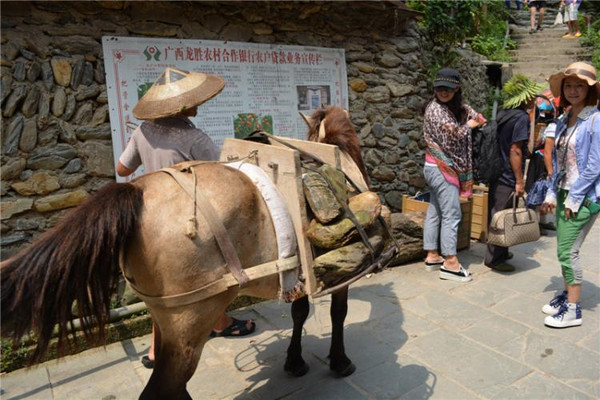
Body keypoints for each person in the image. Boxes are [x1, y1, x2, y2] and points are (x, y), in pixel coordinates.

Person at [117, 67, 256, 368]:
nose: (198, 103)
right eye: (193, 100)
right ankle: (160, 350)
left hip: (148, 211)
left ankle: (218, 323)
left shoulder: (141, 132)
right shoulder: (195, 138)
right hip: (185, 217)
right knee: (213, 272)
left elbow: (122, 170)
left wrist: (149, 154)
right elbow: (221, 180)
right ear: (181, 107)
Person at [540, 62, 600, 328]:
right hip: (565, 192)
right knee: (564, 250)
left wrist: (575, 198)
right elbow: (560, 161)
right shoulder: (565, 120)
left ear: (590, 90)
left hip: (584, 197)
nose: (573, 90)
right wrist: (553, 193)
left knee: (568, 252)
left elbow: (594, 166)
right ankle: (568, 295)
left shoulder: (595, 120)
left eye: (580, 85)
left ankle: (574, 310)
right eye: (569, 85)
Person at [421, 68, 485, 282]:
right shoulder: (436, 110)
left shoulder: (451, 107)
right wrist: (470, 124)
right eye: (439, 88)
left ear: (457, 88)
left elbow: (476, 116)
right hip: (442, 168)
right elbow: (456, 134)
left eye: (448, 88)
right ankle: (450, 263)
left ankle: (432, 254)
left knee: (436, 210)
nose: (443, 92)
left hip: (434, 167)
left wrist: (471, 116)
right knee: (452, 214)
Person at [484, 74, 544, 272]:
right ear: (524, 97)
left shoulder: (504, 113)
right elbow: (515, 150)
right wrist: (519, 180)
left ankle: (501, 250)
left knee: (498, 212)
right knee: (502, 214)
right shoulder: (520, 118)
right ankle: (494, 259)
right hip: (507, 174)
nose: (534, 100)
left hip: (495, 170)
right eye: (533, 96)